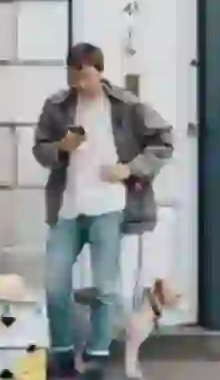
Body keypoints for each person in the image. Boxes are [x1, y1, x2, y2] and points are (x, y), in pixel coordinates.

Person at [33, 43, 173, 378]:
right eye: (74, 75)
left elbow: (164, 140)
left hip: (109, 206)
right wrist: (61, 149)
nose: (80, 83)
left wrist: (130, 168)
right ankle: (63, 355)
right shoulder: (57, 106)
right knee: (55, 284)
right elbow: (40, 151)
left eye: (86, 75)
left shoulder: (126, 106)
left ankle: (97, 357)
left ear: (100, 71)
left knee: (106, 286)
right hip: (67, 207)